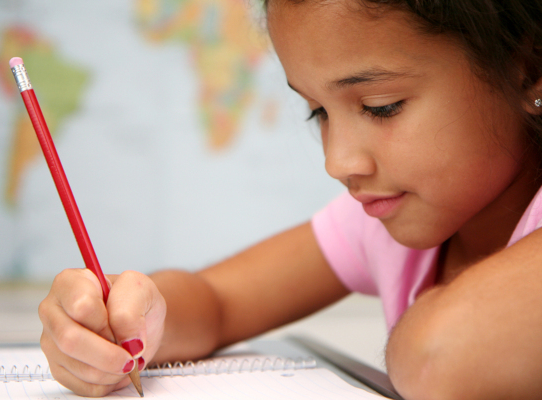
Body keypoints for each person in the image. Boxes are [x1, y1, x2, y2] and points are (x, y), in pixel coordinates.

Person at [38, 0, 542, 398]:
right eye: (317, 112)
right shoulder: (383, 218)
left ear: (529, 69)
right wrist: (126, 319)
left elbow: (440, 357)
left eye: (380, 107)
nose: (339, 162)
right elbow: (218, 302)